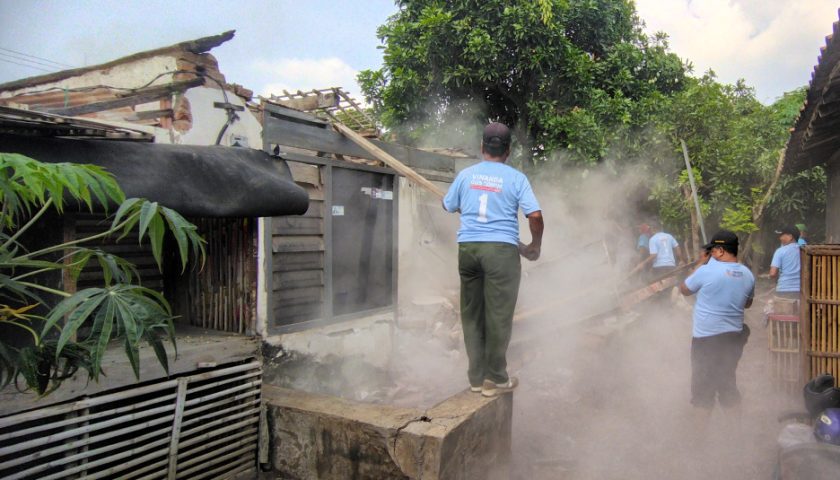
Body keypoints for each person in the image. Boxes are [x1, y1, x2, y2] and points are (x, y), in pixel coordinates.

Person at [442, 122, 543, 397]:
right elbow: (534, 216)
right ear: (508, 150)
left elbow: (447, 204)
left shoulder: (465, 176)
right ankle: (495, 378)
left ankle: (476, 378)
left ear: (482, 147)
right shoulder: (516, 178)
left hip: (469, 250)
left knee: (471, 315)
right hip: (501, 252)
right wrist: (535, 246)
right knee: (498, 315)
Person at [679, 230, 755, 413]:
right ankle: (736, 429)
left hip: (707, 340)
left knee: (702, 394)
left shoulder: (706, 271)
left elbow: (684, 289)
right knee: (727, 385)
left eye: (712, 251)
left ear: (721, 251)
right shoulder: (748, 274)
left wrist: (700, 262)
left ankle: (699, 432)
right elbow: (748, 303)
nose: (710, 254)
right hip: (733, 339)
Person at [770, 225, 801, 300]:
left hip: (784, 289)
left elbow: (772, 273)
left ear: (790, 237)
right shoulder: (803, 251)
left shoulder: (780, 251)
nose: (780, 238)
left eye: (782, 235)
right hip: (801, 290)